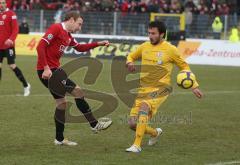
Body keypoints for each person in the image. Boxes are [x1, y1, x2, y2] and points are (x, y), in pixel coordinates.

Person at [125, 21, 203, 153]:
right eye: (149, 33)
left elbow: (184, 66)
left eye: (153, 33)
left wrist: (193, 85)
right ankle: (155, 133)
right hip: (144, 88)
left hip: (161, 89)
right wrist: (129, 62)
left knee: (144, 105)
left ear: (162, 34)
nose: (150, 36)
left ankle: (137, 145)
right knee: (132, 124)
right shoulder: (144, 46)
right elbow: (131, 55)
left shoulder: (171, 49)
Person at [36, 11, 112, 146]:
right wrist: (46, 68)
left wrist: (98, 43)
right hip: (49, 71)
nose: (80, 28)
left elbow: (80, 48)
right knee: (78, 91)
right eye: (79, 24)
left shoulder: (68, 35)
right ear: (71, 20)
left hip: (54, 70)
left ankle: (59, 139)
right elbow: (40, 46)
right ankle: (94, 124)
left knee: (62, 104)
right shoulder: (57, 28)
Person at [0, 0, 30, 96]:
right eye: (0, 3)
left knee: (11, 65)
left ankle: (26, 86)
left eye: (3, 3)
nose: (2, 5)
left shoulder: (11, 14)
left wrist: (11, 40)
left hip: (9, 46)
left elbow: (15, 29)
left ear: (6, 4)